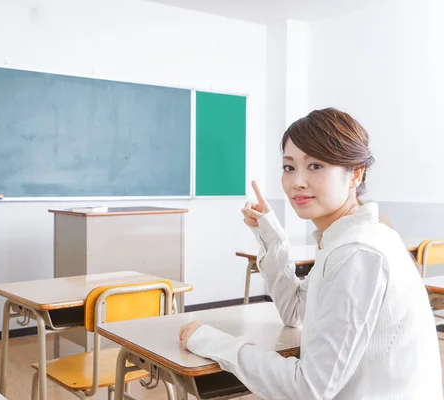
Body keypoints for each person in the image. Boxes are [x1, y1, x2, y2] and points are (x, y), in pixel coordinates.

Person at [179, 108, 443, 399]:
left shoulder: (357, 252)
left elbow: (309, 388)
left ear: (355, 173)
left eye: (315, 166)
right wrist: (271, 234)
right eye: (289, 167)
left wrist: (212, 341)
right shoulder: (357, 238)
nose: (297, 182)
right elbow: (296, 311)